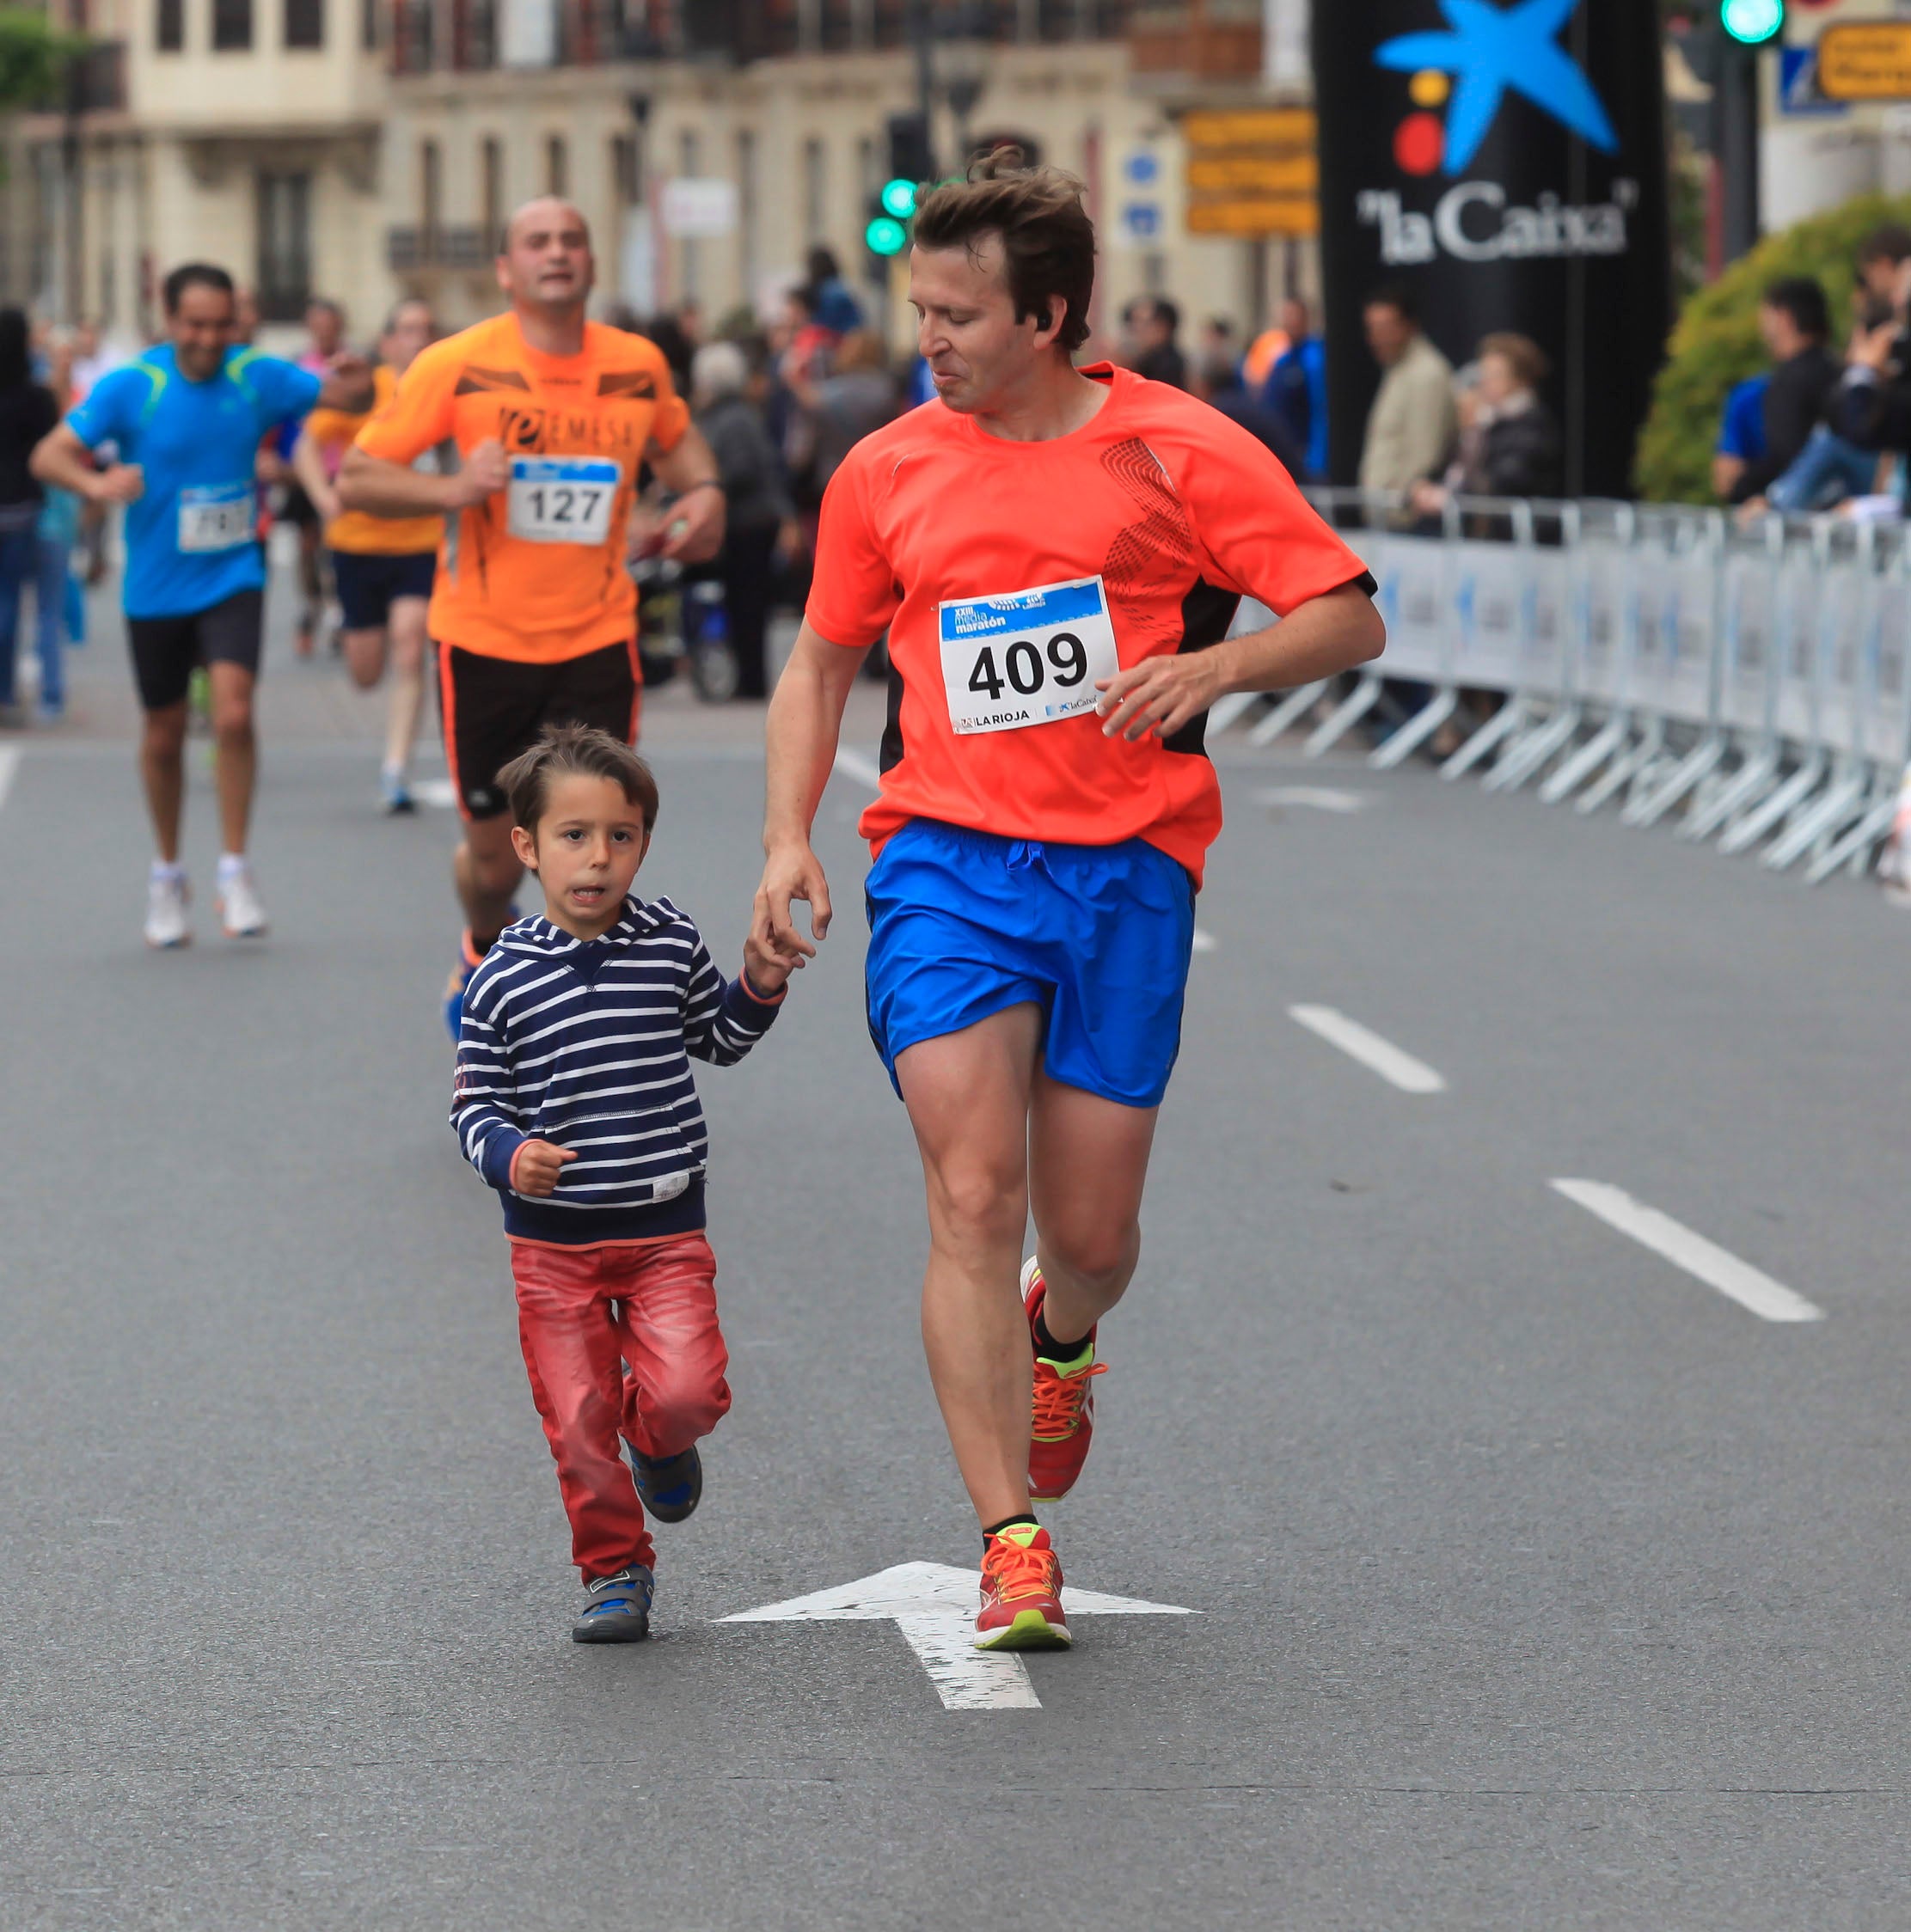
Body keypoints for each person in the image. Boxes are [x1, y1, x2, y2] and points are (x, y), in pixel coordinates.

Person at [752, 153, 1383, 1651]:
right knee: (971, 1190)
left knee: (1089, 1229)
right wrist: (786, 835)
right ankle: (1006, 1537)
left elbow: (1344, 611)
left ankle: (1065, 1329)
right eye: (921, 310)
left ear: (1047, 317)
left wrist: (1217, 665)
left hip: (1127, 871)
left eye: (959, 315)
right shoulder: (886, 466)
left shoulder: (1179, 448)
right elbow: (818, 663)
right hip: (946, 864)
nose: (930, 340)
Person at [336, 196, 726, 1036]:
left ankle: (573, 1017)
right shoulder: (458, 364)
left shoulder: (635, 364)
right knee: (490, 859)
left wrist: (703, 500)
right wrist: (453, 489)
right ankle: (483, 941)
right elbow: (360, 477)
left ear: (589, 264)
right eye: (538, 242)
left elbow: (685, 454)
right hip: (484, 641)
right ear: (507, 270)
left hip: (597, 635)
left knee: (595, 841)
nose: (558, 253)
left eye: (572, 240)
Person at [452, 724, 793, 1643]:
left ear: (643, 840)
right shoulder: (501, 979)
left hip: (662, 1231)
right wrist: (507, 1154)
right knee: (575, 1418)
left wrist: (757, 983)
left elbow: (717, 1038)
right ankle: (612, 1568)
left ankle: (659, 1437)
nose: (598, 857)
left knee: (685, 1391)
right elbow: (473, 1105)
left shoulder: (668, 939)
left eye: (621, 835)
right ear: (525, 847)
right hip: (552, 1247)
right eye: (573, 836)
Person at [31, 262, 370, 947]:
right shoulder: (136, 385)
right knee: (163, 732)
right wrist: (96, 485)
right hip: (155, 587)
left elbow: (341, 396)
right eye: (195, 324)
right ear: (169, 317)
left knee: (236, 713)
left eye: (221, 324)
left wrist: (358, 378)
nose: (209, 338)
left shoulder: (257, 377)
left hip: (233, 575)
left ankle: (235, 869)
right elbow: (49, 456)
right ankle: (166, 873)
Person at [293, 296, 442, 811]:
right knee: (365, 672)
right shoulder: (366, 392)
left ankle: (395, 768)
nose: (418, 339)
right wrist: (322, 496)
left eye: (426, 329)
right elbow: (305, 446)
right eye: (407, 330)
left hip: (420, 544)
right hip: (357, 544)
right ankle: (352, 638)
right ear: (386, 343)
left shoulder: (445, 396)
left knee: (410, 641)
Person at [691, 339, 799, 701]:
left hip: (747, 524)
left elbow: (742, 469)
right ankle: (748, 677)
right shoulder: (738, 414)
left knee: (748, 606)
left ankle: (751, 680)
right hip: (747, 522)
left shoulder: (732, 419)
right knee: (746, 606)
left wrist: (709, 486)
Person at [1410, 332, 1562, 511]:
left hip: (1512, 531)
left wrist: (1451, 496)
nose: (1485, 382)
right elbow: (1450, 468)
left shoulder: (1533, 426)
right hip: (1465, 524)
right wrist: (1426, 487)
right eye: (1484, 373)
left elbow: (1505, 480)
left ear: (1520, 380)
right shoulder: (1482, 420)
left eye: (1495, 375)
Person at [1727, 277, 1841, 507]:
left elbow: (1787, 453)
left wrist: (1743, 488)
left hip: (1803, 514)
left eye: (1766, 317)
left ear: (1784, 318)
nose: (1763, 329)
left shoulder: (1788, 381)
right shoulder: (1843, 371)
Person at [0, 309, 61, 729]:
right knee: (18, 604)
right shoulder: (36, 396)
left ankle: (4, 689)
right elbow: (55, 446)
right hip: (23, 508)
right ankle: (13, 691)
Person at [1357, 282, 1457, 493]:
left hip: (1405, 519)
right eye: (1372, 329)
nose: (1377, 338)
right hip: (1387, 513)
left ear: (1409, 325)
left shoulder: (1426, 374)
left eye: (1386, 328)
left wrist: (1399, 506)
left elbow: (1424, 458)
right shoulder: (1397, 369)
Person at [1264, 297, 1329, 482]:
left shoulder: (1314, 358)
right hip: (1280, 456)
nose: (1289, 321)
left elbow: (1320, 410)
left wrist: (1316, 461)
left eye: (1294, 316)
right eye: (1286, 316)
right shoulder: (1281, 358)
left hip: (1304, 459)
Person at [1122, 295, 1188, 389]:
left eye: (1144, 323)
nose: (1137, 329)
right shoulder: (1144, 361)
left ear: (1162, 327)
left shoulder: (1167, 368)